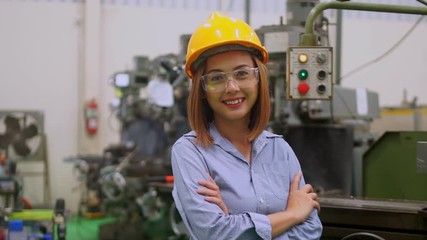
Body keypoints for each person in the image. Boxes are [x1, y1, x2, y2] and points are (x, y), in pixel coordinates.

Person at [171, 12, 322, 240]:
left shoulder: (280, 150)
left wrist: (236, 222)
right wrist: (292, 214)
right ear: (201, 89)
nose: (231, 87)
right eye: (216, 78)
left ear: (258, 78)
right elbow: (214, 233)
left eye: (242, 73)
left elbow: (312, 230)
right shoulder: (190, 152)